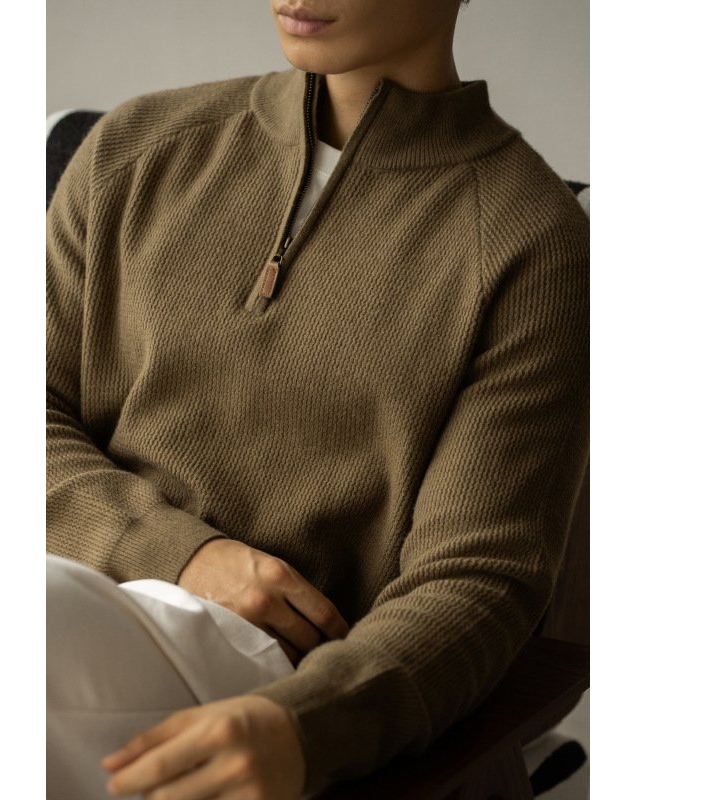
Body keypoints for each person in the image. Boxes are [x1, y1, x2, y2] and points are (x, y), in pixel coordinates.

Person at [46, 0, 589, 797]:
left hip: (262, 671)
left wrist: (308, 726)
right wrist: (175, 552)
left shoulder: (529, 239)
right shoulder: (135, 147)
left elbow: (478, 578)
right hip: (67, 575)